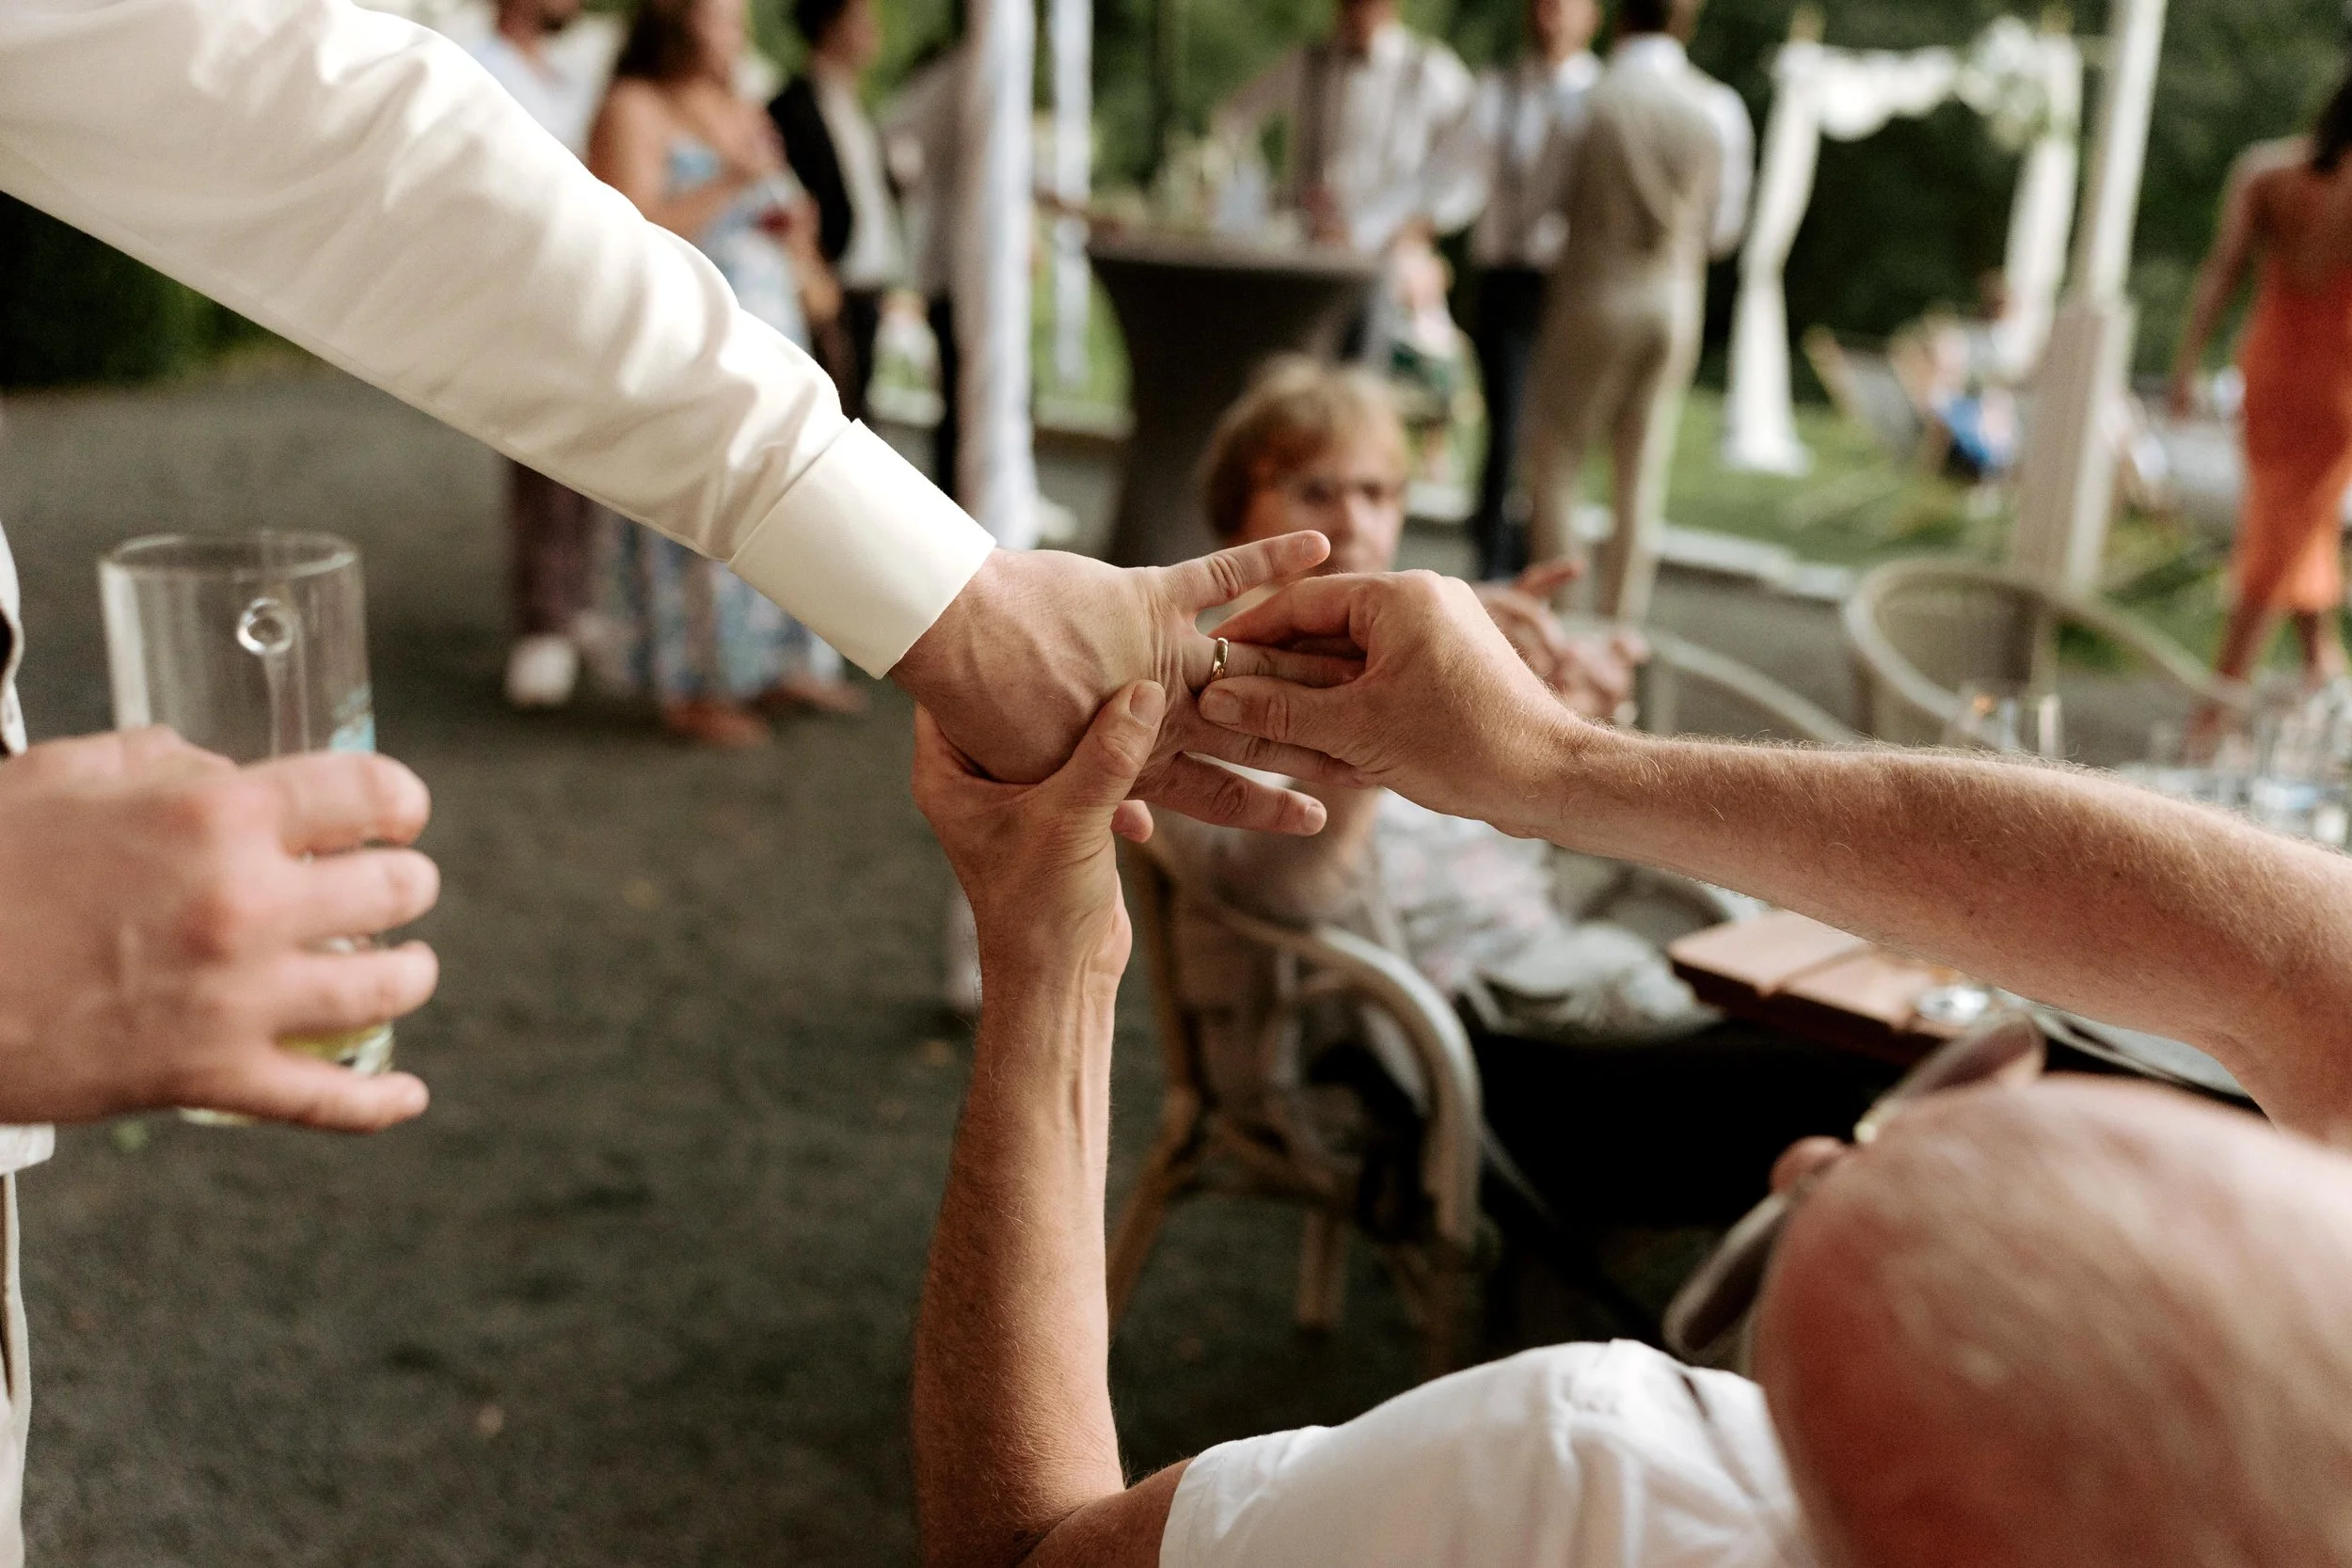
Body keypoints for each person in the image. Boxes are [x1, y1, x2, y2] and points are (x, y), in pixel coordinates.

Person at [906, 655, 2352, 1565]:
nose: (1810, 1166)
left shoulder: (1598, 1483)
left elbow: (1029, 1552)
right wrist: (1545, 754)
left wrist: (1050, 949)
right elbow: (2312, 969)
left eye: (1865, 1185)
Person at [587, 0, 868, 743]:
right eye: (721, 17)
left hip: (770, 337)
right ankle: (697, 684)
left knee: (779, 494)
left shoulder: (742, 106)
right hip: (686, 345)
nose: (737, 33)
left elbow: (775, 210)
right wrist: (731, 182)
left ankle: (777, 663)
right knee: (701, 503)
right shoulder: (634, 106)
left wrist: (797, 234)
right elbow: (623, 231)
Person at [1523, 0, 1753, 624]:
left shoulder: (1583, 99)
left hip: (1594, 293)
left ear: (1620, 17)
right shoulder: (1719, 107)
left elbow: (1540, 205)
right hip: (1675, 300)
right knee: (1642, 471)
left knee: (1558, 459)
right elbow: (1723, 232)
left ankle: (1564, 628)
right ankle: (1620, 629)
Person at [2170, 65, 2352, 692]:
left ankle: (2321, 667)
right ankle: (2222, 697)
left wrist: (2187, 363)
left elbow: (2222, 272)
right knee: (2286, 524)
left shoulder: (2264, 171)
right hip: (2338, 385)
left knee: (2296, 518)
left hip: (2269, 369)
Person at [469, 0, 611, 711]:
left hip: (579, 286)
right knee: (539, 455)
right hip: (524, 288)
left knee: (586, 454)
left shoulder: (559, 76)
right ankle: (542, 621)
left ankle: (572, 603)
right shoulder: (480, 70)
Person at [1441, 0, 1604, 580]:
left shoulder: (1603, 97)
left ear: (1592, 16)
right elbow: (1451, 176)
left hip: (1572, 284)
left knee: (1554, 432)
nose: (1551, 17)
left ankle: (1540, 556)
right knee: (1506, 421)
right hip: (1505, 278)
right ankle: (1492, 555)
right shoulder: (1496, 89)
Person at [1210, 0, 1480, 259]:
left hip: (1390, 253)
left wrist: (1423, 225)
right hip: (1307, 246)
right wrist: (1257, 193)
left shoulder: (1428, 70)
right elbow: (1231, 120)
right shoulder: (1308, 63)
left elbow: (1475, 161)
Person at [770, 0, 906, 421]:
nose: (873, 32)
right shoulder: (791, 106)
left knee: (859, 406)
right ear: (832, 27)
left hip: (867, 283)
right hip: (825, 282)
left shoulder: (857, 105)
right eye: (861, 21)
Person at [881, 36, 971, 495]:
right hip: (950, 265)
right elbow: (891, 127)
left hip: (950, 263)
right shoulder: (955, 77)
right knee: (957, 392)